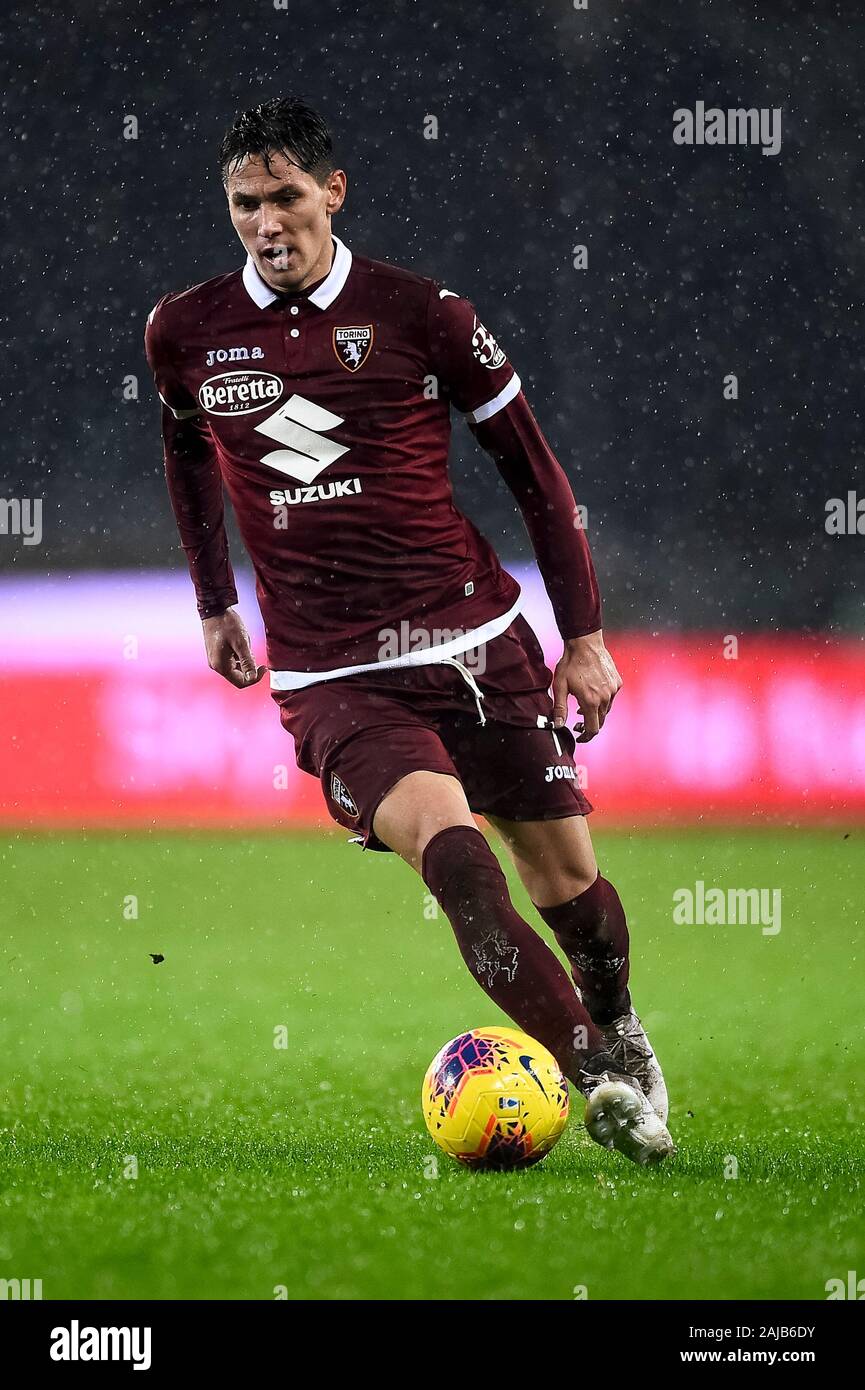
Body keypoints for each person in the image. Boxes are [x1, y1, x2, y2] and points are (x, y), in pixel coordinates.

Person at [144, 97, 674, 1165]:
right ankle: (595, 1074)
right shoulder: (185, 331)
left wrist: (583, 634)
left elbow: (534, 471)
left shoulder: (423, 314)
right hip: (334, 675)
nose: (265, 220)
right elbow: (187, 455)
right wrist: (213, 601)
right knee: (456, 861)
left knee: (569, 889)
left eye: (285, 195)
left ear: (332, 193)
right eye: (244, 203)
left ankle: (616, 1021)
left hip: (474, 642)